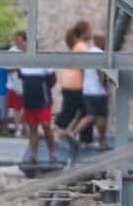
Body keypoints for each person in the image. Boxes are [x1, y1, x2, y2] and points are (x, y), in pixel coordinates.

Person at [54, 20, 90, 156]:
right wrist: (88, 84)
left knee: (78, 111)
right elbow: (85, 68)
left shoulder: (76, 46)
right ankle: (68, 134)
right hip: (77, 84)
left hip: (69, 83)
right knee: (83, 112)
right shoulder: (82, 47)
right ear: (84, 31)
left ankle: (76, 136)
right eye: (89, 30)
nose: (90, 32)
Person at [16, 61, 60, 163]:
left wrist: (47, 89)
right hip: (29, 100)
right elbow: (20, 78)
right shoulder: (23, 65)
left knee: (46, 125)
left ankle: (52, 151)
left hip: (43, 100)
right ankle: (34, 153)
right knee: (32, 127)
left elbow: (53, 79)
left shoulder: (44, 63)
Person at [79, 30, 111, 150]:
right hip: (97, 91)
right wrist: (105, 88)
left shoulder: (88, 52)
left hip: (87, 89)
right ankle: (101, 142)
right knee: (100, 116)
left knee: (92, 115)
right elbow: (100, 72)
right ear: (98, 40)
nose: (105, 42)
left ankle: (73, 133)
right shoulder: (99, 53)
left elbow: (82, 70)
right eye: (104, 40)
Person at [4, 31, 29, 134]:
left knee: (27, 108)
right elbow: (8, 68)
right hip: (14, 85)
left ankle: (26, 128)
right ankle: (17, 129)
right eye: (16, 41)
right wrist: (19, 67)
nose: (17, 43)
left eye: (20, 41)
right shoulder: (12, 52)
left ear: (25, 41)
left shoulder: (29, 51)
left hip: (27, 84)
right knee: (16, 109)